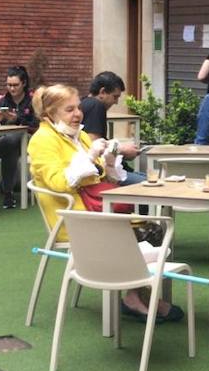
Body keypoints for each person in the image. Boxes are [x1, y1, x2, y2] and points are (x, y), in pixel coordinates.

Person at [28, 84, 183, 323]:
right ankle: (136, 297)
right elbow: (59, 182)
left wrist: (109, 158)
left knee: (153, 228)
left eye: (78, 107)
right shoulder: (42, 140)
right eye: (69, 109)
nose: (78, 114)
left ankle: (138, 296)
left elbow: (103, 177)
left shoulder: (76, 134)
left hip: (95, 209)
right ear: (50, 113)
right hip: (74, 219)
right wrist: (90, 157)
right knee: (150, 231)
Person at [80, 71, 145, 185]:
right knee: (152, 186)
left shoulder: (85, 103)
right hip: (103, 174)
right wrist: (122, 150)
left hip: (107, 171)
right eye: (115, 97)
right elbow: (94, 145)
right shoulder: (96, 105)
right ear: (102, 92)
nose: (116, 102)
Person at [0, 65, 38, 209]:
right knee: (11, 145)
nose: (12, 88)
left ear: (24, 83)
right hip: (8, 142)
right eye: (9, 85)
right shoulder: (1, 102)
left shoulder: (34, 100)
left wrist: (17, 119)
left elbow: (37, 125)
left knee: (14, 137)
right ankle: (8, 196)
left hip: (30, 140)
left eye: (15, 85)